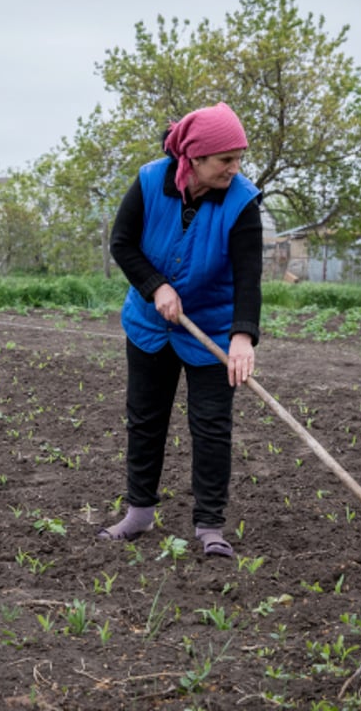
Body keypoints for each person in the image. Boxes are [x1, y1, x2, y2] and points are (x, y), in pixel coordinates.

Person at [97, 102, 264, 558]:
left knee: (211, 425)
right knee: (146, 419)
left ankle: (210, 526)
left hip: (209, 328)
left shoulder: (243, 201)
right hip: (151, 323)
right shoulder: (151, 181)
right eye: (224, 160)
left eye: (238, 158)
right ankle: (139, 514)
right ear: (193, 159)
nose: (234, 168)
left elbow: (249, 276)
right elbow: (122, 244)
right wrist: (156, 287)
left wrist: (243, 335)